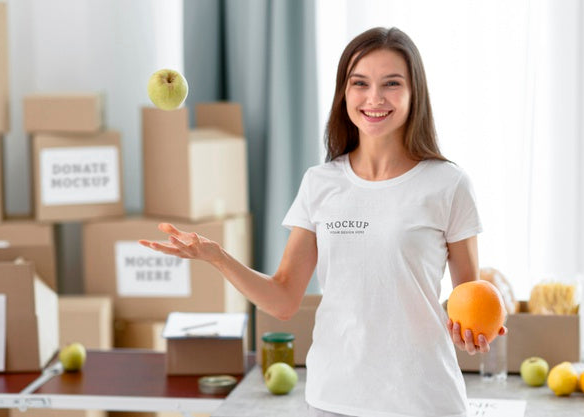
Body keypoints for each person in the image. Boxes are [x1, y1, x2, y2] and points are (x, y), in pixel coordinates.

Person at [139, 26, 506, 417]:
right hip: (333, 399)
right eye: (359, 83)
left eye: (392, 84)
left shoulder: (448, 184)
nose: (374, 98)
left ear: (415, 93)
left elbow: (468, 298)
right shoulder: (321, 182)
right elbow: (283, 299)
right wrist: (217, 257)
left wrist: (470, 334)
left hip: (423, 401)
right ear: (344, 93)